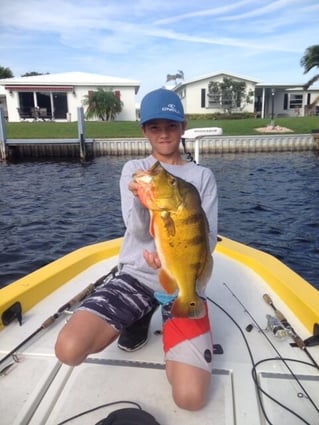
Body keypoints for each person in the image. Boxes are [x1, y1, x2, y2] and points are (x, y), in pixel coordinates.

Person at [55, 88, 218, 411]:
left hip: (183, 283)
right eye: (154, 127)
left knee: (190, 398)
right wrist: (139, 197)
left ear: (182, 127)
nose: (164, 134)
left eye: (171, 126)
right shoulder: (136, 171)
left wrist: (174, 266)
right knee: (68, 350)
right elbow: (139, 230)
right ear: (144, 131)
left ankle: (175, 313)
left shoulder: (201, 176)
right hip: (136, 276)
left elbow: (207, 240)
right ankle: (139, 316)